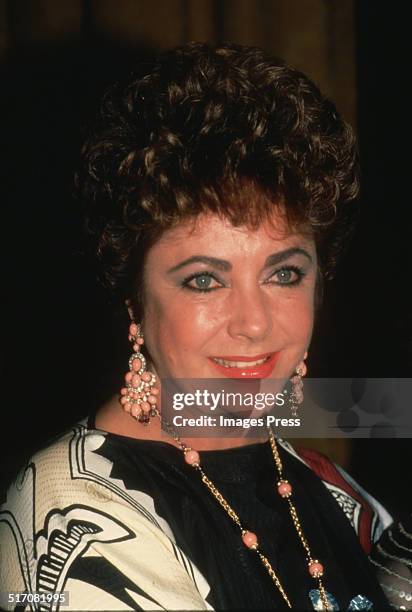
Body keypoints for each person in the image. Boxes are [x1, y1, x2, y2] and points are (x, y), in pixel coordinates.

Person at [0, 42, 393, 611]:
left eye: (283, 273)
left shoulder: (321, 481)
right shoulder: (72, 516)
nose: (255, 324)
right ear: (134, 297)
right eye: (205, 280)